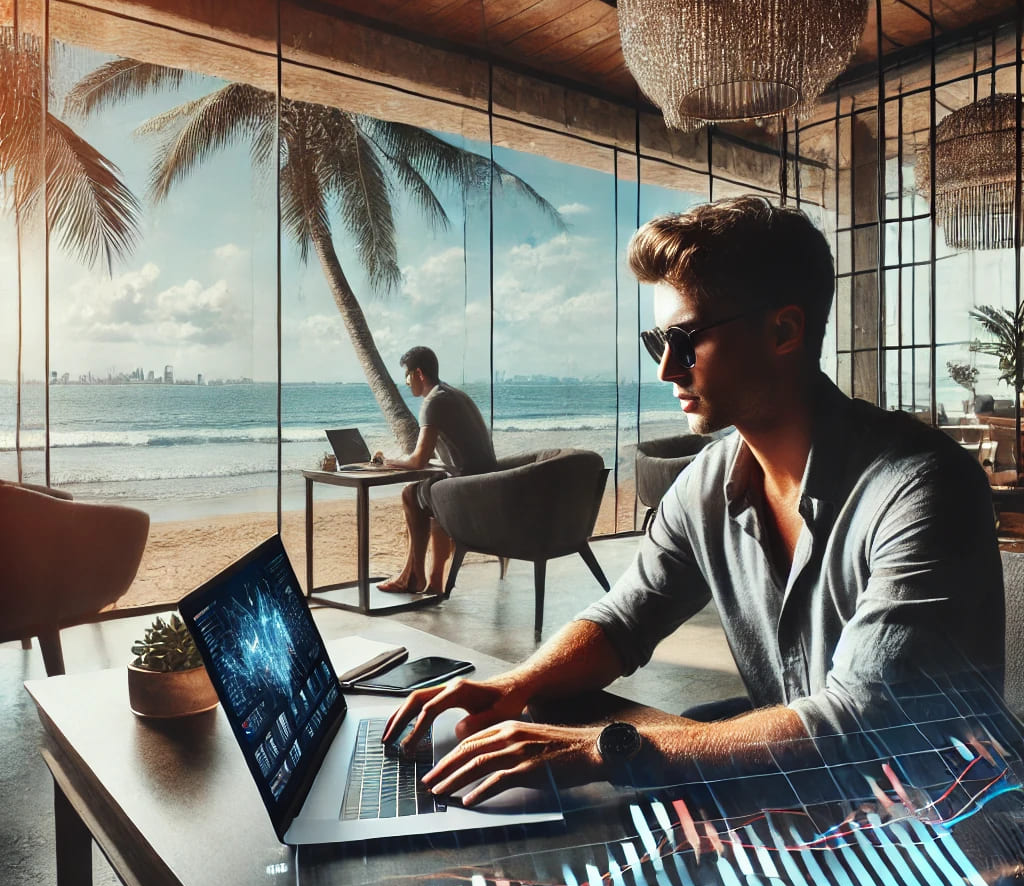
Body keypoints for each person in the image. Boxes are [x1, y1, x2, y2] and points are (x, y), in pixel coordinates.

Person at [382, 195, 1004, 806]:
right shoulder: (707, 485)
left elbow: (858, 726)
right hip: (812, 799)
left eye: (687, 339)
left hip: (944, 835)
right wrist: (514, 685)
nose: (665, 368)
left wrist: (607, 749)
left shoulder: (922, 487)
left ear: (783, 330)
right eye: (659, 342)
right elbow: (622, 621)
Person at [378, 346, 496, 595]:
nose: (406, 382)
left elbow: (419, 460)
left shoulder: (433, 402)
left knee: (410, 494)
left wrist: (387, 460)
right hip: (488, 485)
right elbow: (454, 454)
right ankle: (433, 580)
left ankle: (414, 576)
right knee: (430, 491)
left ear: (419, 373)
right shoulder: (454, 394)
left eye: (407, 375)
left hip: (468, 490)